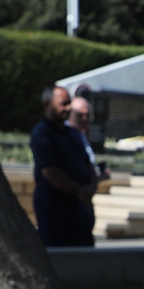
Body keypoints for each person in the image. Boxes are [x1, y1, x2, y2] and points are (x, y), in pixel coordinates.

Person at [30, 86, 95, 247]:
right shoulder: (42, 134)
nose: (67, 108)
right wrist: (78, 190)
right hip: (54, 204)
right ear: (47, 105)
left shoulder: (74, 134)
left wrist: (91, 187)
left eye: (69, 103)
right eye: (62, 104)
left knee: (83, 249)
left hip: (78, 205)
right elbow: (49, 171)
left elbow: (88, 164)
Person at [65, 96, 108, 185]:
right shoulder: (63, 136)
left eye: (87, 115)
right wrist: (100, 177)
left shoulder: (81, 135)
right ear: (70, 115)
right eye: (80, 115)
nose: (84, 119)